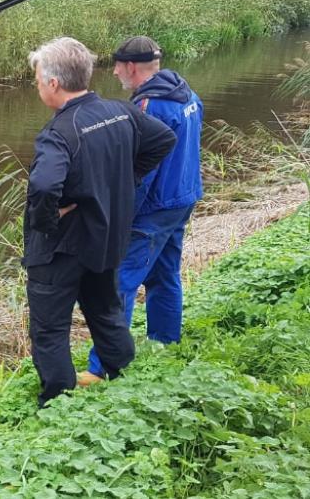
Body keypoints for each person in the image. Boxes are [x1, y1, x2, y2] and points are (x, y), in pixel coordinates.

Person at [23, 37, 177, 407]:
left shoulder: (58, 134)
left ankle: (58, 400)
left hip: (61, 249)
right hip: (105, 237)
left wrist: (47, 220)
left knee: (50, 329)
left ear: (54, 83)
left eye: (38, 80)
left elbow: (43, 186)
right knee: (105, 309)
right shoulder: (119, 112)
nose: (38, 86)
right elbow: (163, 139)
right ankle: (119, 370)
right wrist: (126, 178)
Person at [80, 36, 204, 385]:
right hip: (183, 198)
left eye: (118, 66)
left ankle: (103, 367)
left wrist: (120, 216)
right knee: (165, 275)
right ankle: (165, 344)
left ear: (131, 67)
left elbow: (140, 173)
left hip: (153, 210)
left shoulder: (150, 106)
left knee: (118, 283)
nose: (115, 72)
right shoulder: (186, 94)